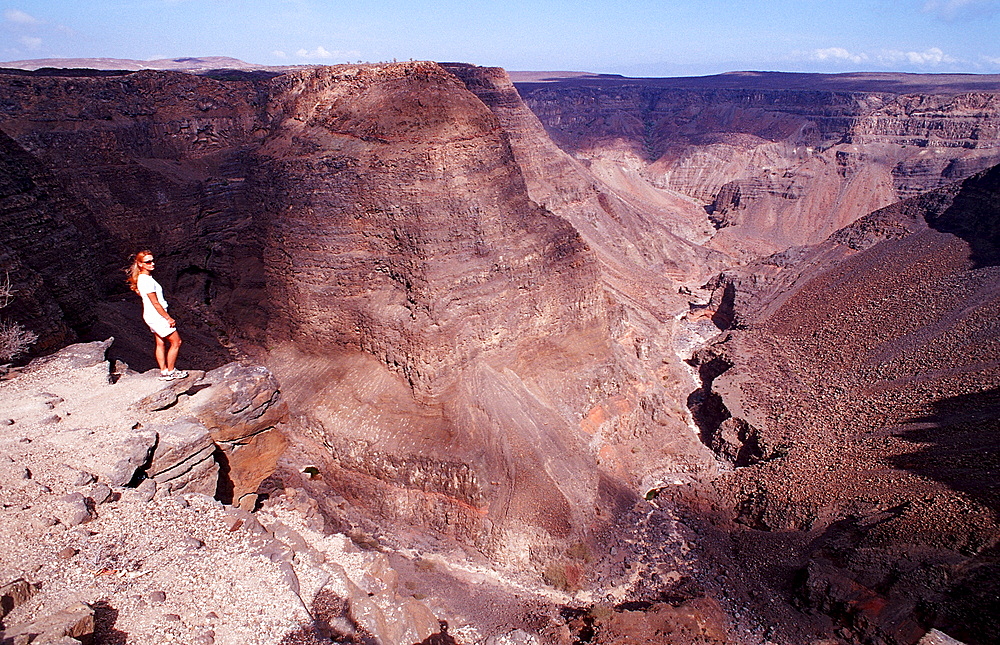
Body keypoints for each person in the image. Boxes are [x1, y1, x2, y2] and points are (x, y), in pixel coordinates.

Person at [126, 250, 188, 381]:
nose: (152, 263)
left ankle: (164, 371)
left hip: (150, 315)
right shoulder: (147, 281)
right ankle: (171, 372)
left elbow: (144, 296)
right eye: (148, 262)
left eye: (152, 260)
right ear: (140, 264)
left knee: (160, 343)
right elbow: (155, 303)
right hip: (157, 316)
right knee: (176, 342)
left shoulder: (143, 279)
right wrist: (168, 318)